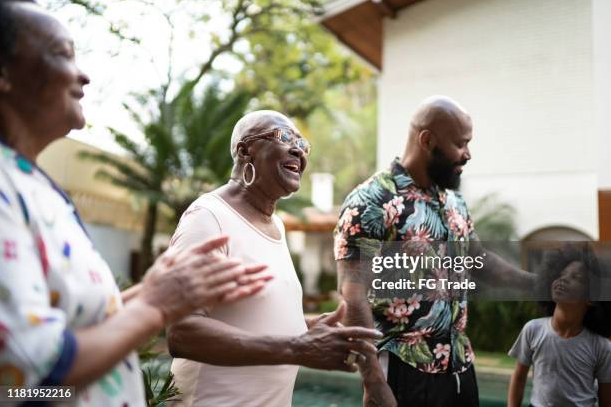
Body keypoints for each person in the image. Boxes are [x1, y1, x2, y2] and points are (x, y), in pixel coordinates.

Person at [0, 0, 269, 406]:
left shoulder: (33, 182)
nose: (83, 75)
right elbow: (20, 381)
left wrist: (153, 291)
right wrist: (158, 305)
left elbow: (78, 322)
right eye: (62, 54)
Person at [166, 110, 383, 407]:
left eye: (302, 144)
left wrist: (306, 326)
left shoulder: (276, 226)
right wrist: (297, 347)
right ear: (245, 151)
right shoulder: (208, 217)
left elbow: (253, 313)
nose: (298, 150)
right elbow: (182, 331)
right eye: (283, 137)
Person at [333, 96, 535, 406]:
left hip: (459, 365)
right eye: (460, 144)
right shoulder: (372, 201)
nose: (467, 154)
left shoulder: (453, 200)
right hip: (404, 370)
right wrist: (373, 381)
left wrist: (536, 282)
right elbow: (354, 295)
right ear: (427, 140)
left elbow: (478, 259)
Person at [507, 245, 611, 407]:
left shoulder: (601, 346)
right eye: (561, 274)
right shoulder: (533, 330)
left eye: (576, 277)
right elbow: (519, 378)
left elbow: (606, 397)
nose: (563, 279)